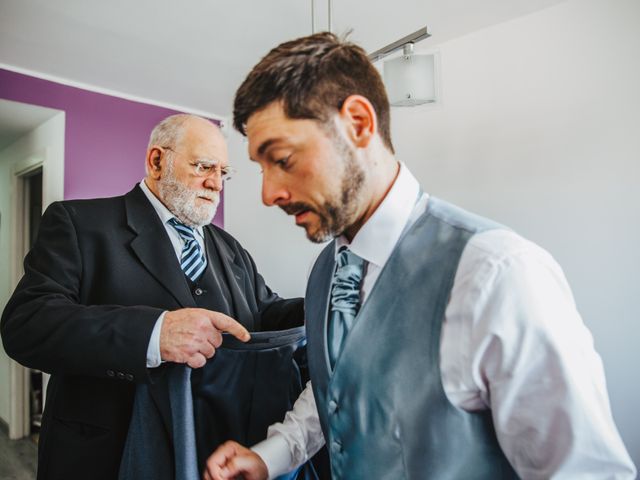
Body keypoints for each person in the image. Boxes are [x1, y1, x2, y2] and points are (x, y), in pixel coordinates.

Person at [204, 32, 637, 480]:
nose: (268, 193)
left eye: (283, 158)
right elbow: (338, 386)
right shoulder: (327, 270)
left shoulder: (495, 272)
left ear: (357, 123)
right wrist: (272, 454)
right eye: (260, 168)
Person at [0, 114, 308, 480]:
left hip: (208, 453)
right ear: (158, 161)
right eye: (203, 167)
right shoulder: (79, 223)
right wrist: (153, 333)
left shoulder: (229, 247)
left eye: (223, 173)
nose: (215, 184)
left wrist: (329, 305)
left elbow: (265, 312)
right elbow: (27, 324)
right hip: (106, 457)